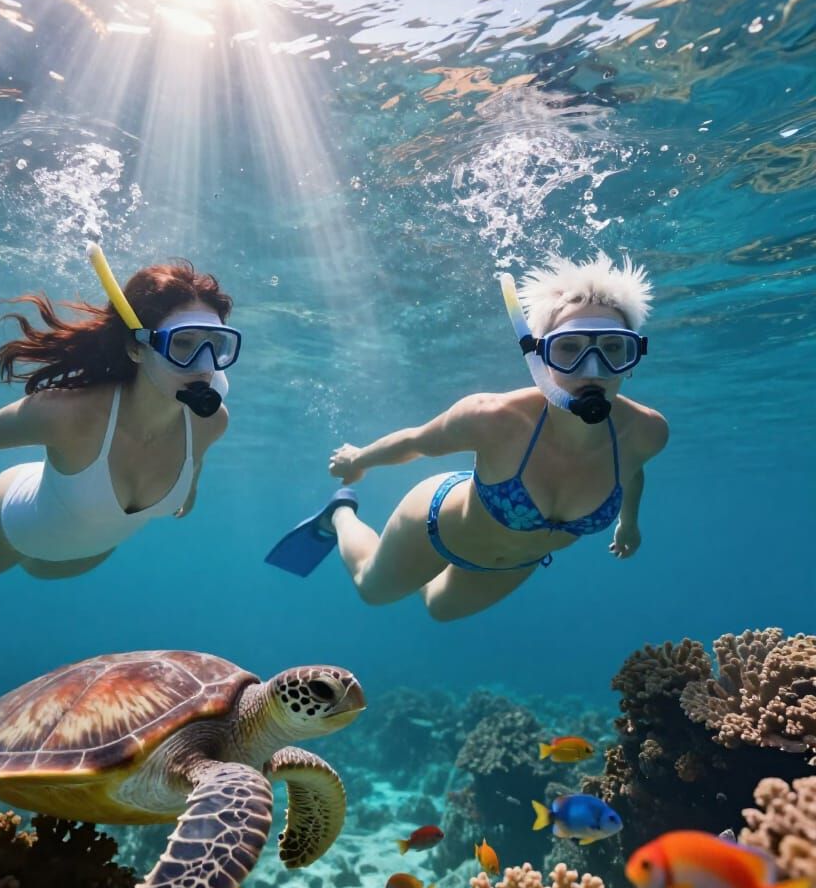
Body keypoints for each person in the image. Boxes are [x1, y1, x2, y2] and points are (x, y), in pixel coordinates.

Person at [266, 253, 667, 621]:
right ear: (539, 359)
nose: (592, 369)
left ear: (633, 359)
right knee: (373, 591)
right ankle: (340, 514)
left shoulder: (646, 432)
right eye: (569, 350)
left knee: (440, 610)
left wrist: (628, 523)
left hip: (512, 565)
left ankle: (416, 571)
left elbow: (632, 470)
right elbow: (417, 442)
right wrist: (357, 460)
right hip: (434, 528)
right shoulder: (494, 417)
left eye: (614, 348)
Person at [0, 257, 239, 579]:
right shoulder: (71, 415)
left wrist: (188, 490)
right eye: (184, 343)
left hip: (70, 552)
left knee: (40, 569)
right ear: (136, 348)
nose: (204, 364)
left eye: (216, 345)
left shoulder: (210, 422)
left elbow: (196, 457)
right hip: (12, 523)